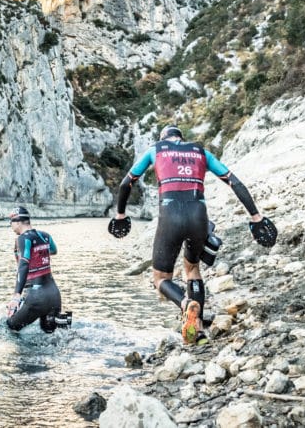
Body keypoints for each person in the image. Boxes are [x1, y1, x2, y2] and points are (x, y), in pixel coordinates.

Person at [107, 125, 278, 345]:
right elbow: (234, 182)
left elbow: (126, 183)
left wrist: (120, 214)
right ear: (181, 137)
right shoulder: (200, 152)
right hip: (199, 217)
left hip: (170, 217)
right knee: (192, 268)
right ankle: (196, 330)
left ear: (164, 138)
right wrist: (256, 217)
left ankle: (185, 304)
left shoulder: (155, 150)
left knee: (160, 278)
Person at [5, 206, 63, 333]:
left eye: (11, 222)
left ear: (18, 222)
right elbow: (53, 250)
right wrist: (38, 253)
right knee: (51, 334)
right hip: (54, 295)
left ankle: (22, 353)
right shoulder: (45, 235)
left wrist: (16, 296)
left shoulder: (22, 238)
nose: (11, 226)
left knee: (10, 326)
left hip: (37, 297)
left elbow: (24, 264)